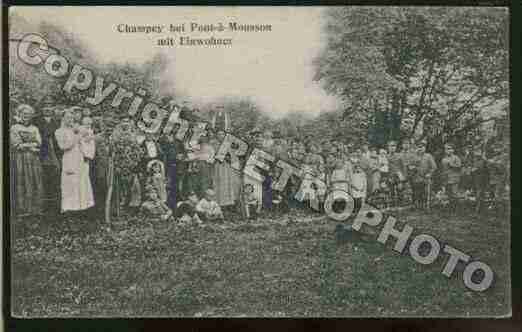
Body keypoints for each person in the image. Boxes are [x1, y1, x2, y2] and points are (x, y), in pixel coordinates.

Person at [55, 109, 95, 215]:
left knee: (81, 182)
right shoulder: (59, 131)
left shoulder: (77, 129)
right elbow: (63, 146)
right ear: (62, 118)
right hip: (69, 158)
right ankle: (69, 208)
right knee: (70, 183)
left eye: (72, 118)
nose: (70, 120)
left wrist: (87, 137)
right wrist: (76, 137)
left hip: (80, 157)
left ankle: (82, 207)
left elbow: (88, 137)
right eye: (68, 117)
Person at [10, 104, 45, 219]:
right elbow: (16, 144)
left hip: (34, 158)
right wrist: (31, 145)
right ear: (19, 114)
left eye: (29, 115)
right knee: (23, 179)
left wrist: (28, 145)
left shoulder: (34, 128)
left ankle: (36, 208)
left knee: (36, 179)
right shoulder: (15, 128)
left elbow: (39, 142)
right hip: (21, 158)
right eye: (24, 114)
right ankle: (24, 208)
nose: (26, 116)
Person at [34, 104, 61, 217]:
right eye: (45, 107)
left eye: (50, 107)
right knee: (42, 178)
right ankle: (43, 206)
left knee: (55, 178)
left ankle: (54, 206)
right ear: (42, 109)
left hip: (54, 154)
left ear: (53, 109)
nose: (48, 109)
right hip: (42, 153)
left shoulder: (57, 122)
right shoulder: (36, 121)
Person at [411, 141, 437, 210]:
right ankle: (418, 205)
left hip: (425, 177)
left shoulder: (428, 156)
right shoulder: (414, 156)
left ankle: (426, 205)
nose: (420, 149)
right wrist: (412, 167)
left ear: (425, 148)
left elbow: (434, 167)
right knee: (417, 192)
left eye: (422, 147)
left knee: (425, 192)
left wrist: (430, 173)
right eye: (419, 147)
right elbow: (409, 165)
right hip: (416, 177)